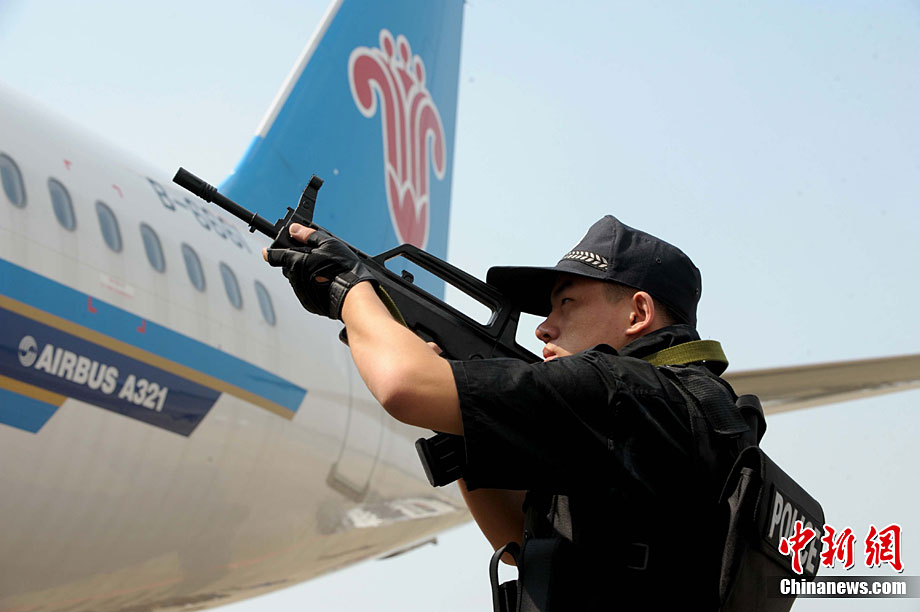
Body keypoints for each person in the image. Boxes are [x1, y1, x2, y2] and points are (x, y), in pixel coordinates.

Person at [265, 215, 749, 611]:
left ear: (637, 315)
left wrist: (350, 290)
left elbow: (402, 386)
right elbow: (522, 541)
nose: (544, 328)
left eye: (567, 303)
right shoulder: (681, 406)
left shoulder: (619, 390)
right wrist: (457, 413)